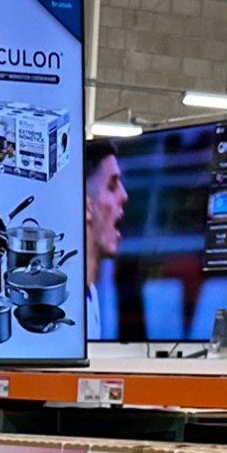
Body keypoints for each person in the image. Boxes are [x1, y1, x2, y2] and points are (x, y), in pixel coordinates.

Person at [82, 141, 128, 340]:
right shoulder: (57, 306)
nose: (124, 196)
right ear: (86, 207)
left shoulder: (91, 292)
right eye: (112, 185)